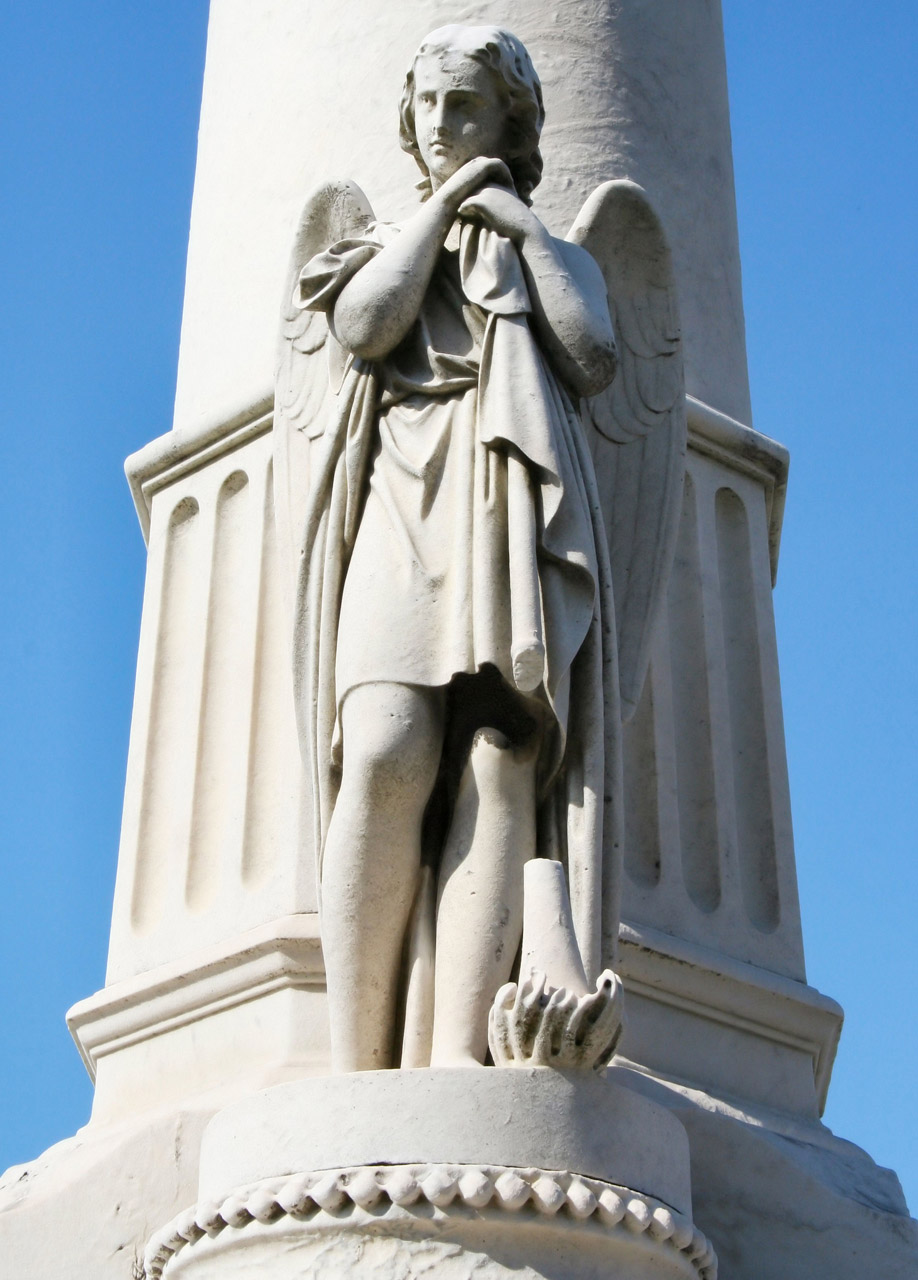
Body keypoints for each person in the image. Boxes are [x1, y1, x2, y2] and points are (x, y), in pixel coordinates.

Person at [292, 25, 619, 1072]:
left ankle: (450, 1064)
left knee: (497, 754)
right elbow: (365, 325)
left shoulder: (542, 253)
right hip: (405, 492)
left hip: (504, 495)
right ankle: (355, 1063)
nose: (443, 126)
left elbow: (597, 354)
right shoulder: (383, 246)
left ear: (512, 120)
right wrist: (440, 210)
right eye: (429, 105)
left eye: (467, 106)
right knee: (386, 744)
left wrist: (518, 226)